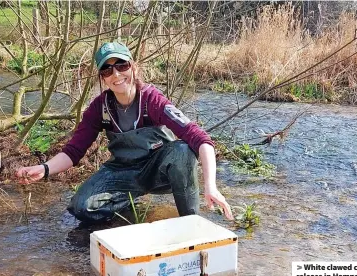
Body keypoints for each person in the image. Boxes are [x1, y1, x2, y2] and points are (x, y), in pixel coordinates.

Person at [16, 42, 233, 223]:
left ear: (133, 67)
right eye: (107, 70)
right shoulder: (99, 108)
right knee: (80, 207)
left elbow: (200, 139)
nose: (116, 74)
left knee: (183, 150)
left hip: (159, 173)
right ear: (102, 77)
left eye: (122, 65)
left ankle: (190, 222)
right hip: (123, 172)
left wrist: (210, 186)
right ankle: (129, 211)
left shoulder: (152, 100)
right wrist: (44, 169)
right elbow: (74, 152)